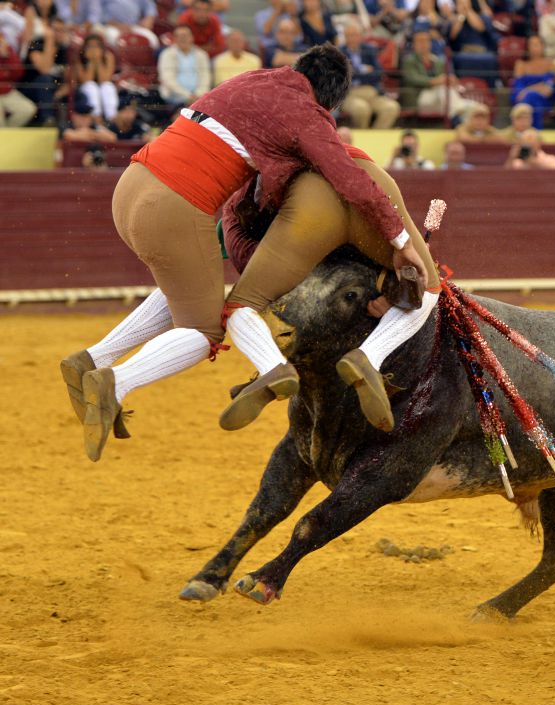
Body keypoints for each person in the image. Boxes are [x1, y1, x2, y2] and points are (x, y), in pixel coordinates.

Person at [59, 45, 430, 461]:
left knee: (187, 284)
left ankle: (91, 359)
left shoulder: (254, 79)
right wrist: (402, 242)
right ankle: (117, 383)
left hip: (131, 184)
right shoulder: (307, 114)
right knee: (203, 332)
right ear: (331, 101)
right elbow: (352, 182)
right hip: (177, 202)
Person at [402, 28, 480, 121]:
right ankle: (456, 112)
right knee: (442, 88)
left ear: (430, 43)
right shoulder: (409, 61)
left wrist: (451, 80)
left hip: (440, 100)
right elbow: (414, 79)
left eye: (426, 41)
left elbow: (446, 80)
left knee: (474, 108)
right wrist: (437, 81)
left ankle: (460, 117)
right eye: (419, 41)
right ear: (414, 44)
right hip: (420, 98)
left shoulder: (438, 61)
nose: (423, 44)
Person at [338, 22, 400, 129]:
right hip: (351, 94)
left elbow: (378, 73)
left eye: (355, 35)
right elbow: (342, 77)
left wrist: (355, 72)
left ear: (361, 36)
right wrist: (364, 70)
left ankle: (375, 139)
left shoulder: (369, 50)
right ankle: (362, 141)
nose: (352, 38)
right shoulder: (339, 52)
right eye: (349, 35)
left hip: (372, 92)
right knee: (362, 109)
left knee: (392, 107)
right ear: (345, 37)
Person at [21, 14, 69, 125]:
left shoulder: (64, 49)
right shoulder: (36, 43)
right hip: (31, 89)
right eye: (55, 30)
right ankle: (48, 119)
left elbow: (68, 78)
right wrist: (49, 41)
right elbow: (45, 69)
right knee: (45, 79)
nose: (58, 33)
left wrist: (60, 92)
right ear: (48, 29)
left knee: (79, 93)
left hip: (53, 91)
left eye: (61, 30)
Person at [511, 33, 555, 129]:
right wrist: (537, 87)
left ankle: (532, 131)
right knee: (528, 98)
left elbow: (547, 90)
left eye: (537, 44)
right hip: (522, 98)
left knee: (531, 97)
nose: (534, 48)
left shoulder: (550, 63)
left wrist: (528, 90)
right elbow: (518, 89)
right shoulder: (521, 64)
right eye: (531, 45)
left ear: (543, 46)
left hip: (543, 99)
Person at [158, 25, 212, 108]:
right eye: (179, 36)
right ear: (174, 38)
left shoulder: (202, 55)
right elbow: (167, 79)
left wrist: (198, 95)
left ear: (192, 37)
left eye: (185, 35)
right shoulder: (167, 54)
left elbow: (205, 77)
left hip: (199, 98)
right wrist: (188, 96)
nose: (182, 38)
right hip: (174, 99)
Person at [74, 32, 118, 120]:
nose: (93, 49)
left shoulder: (108, 56)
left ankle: (112, 118)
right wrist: (91, 61)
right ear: (85, 47)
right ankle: (96, 118)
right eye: (90, 46)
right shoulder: (79, 57)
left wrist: (98, 60)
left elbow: (105, 79)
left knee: (107, 87)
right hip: (85, 88)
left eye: (96, 46)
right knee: (91, 86)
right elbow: (86, 80)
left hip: (103, 86)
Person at [0, 32, 37, 127]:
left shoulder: (5, 46)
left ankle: (7, 135)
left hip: (6, 92)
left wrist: (8, 56)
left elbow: (19, 73)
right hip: (4, 90)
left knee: (28, 109)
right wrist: (5, 73)